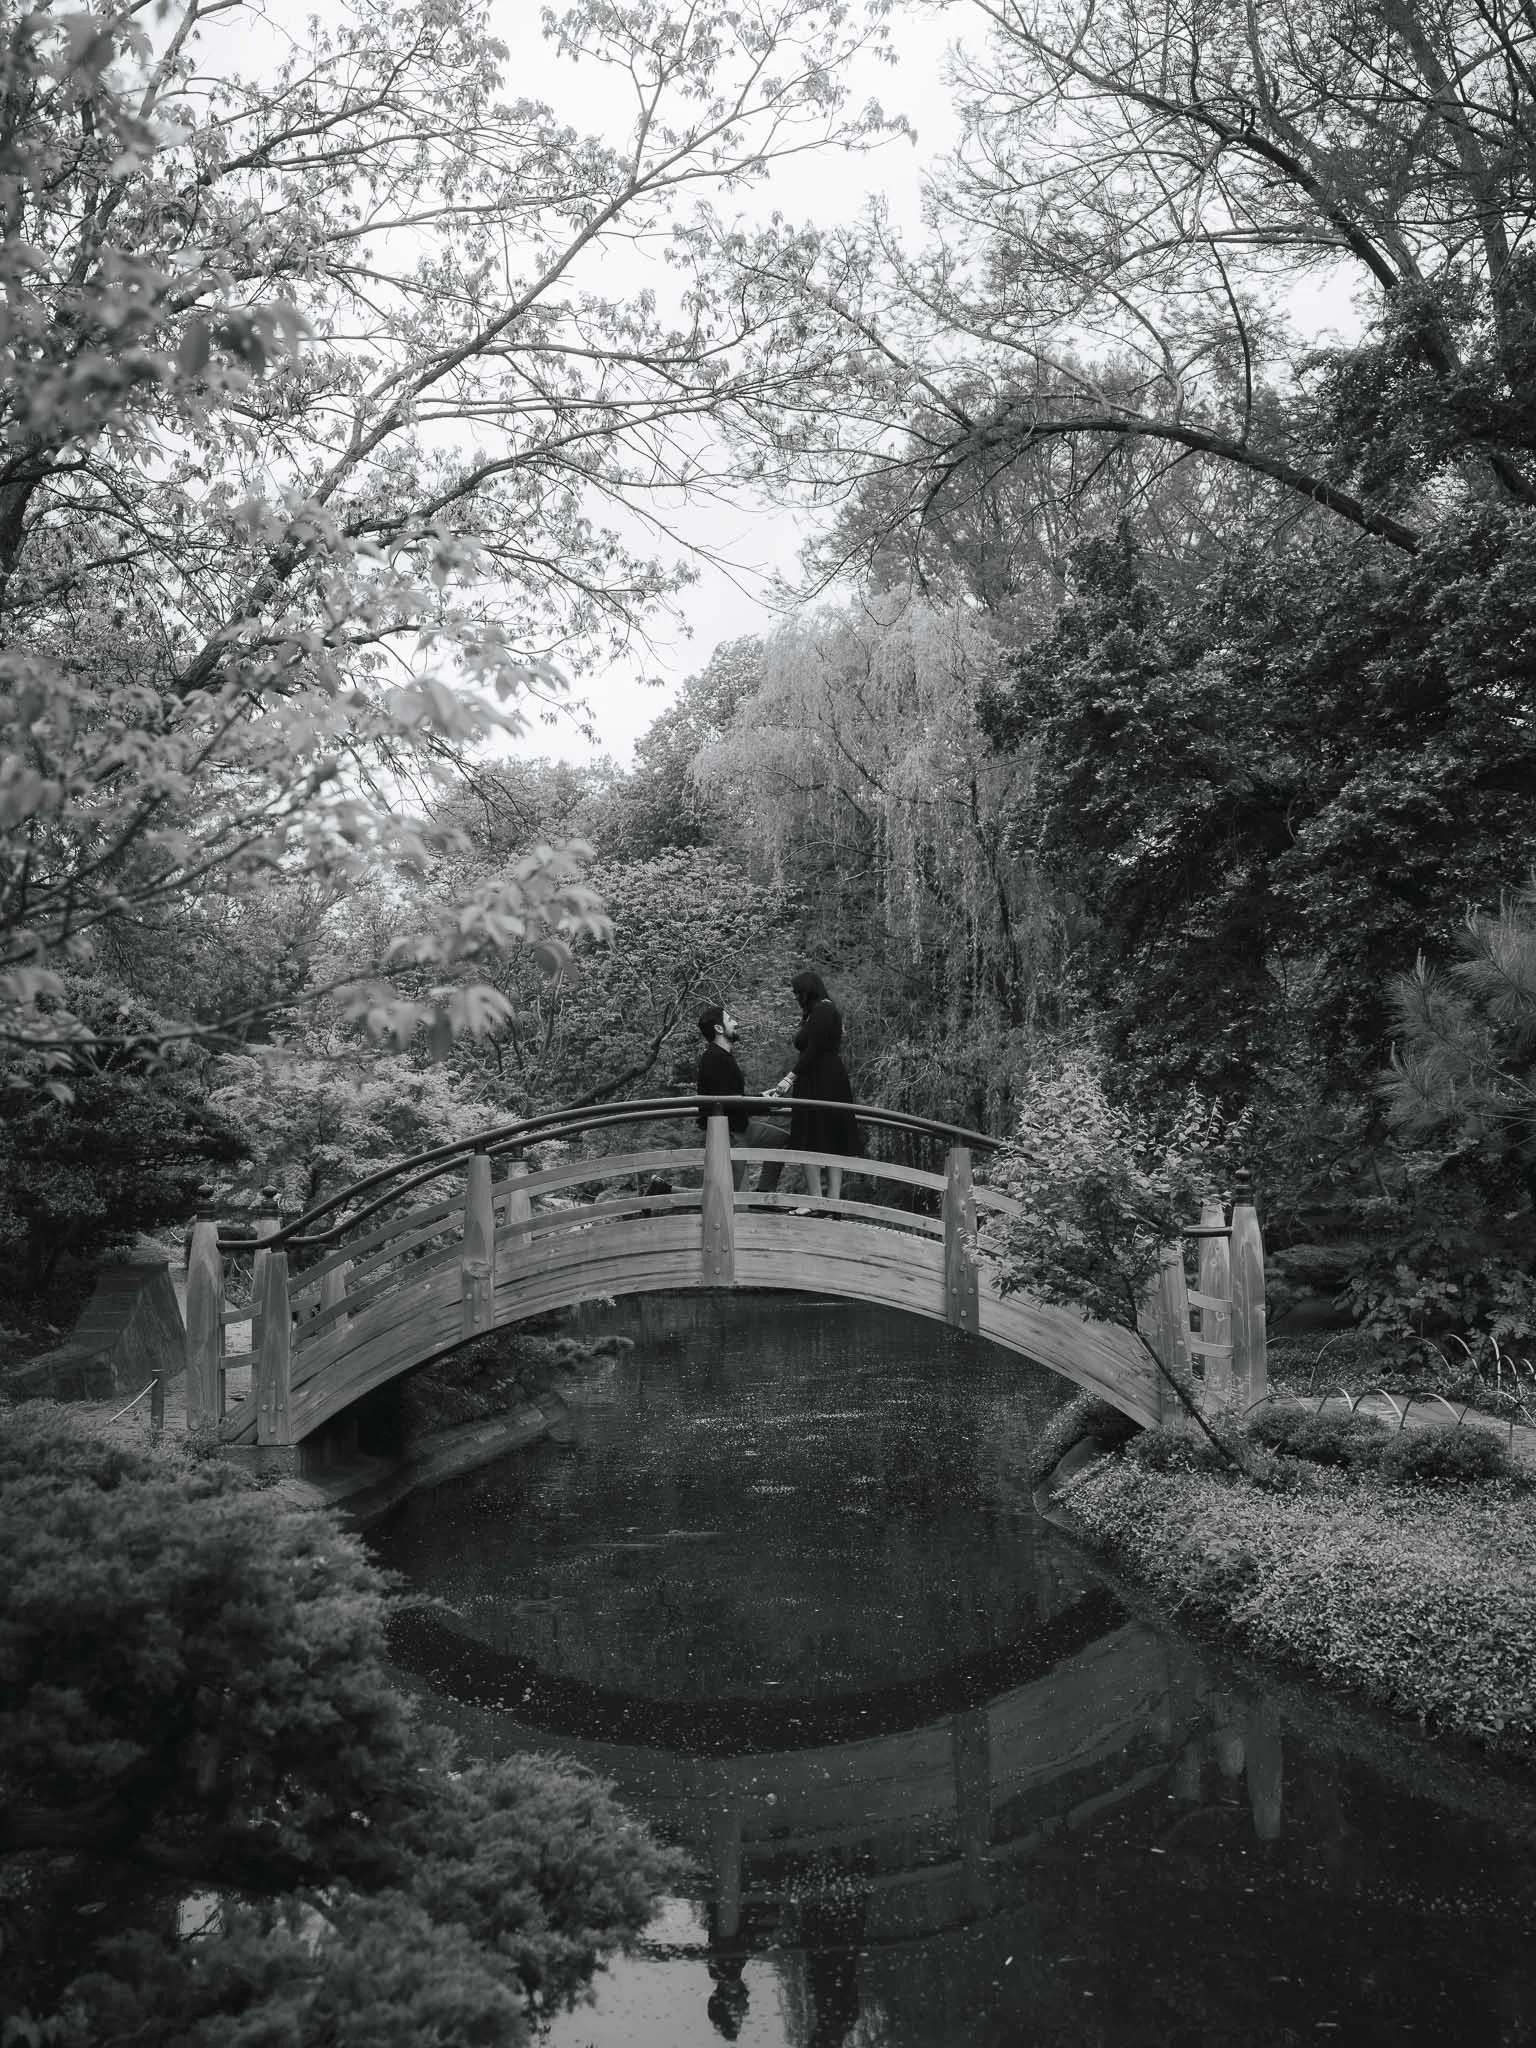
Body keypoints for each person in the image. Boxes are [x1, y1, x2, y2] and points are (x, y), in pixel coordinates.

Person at [767, 970, 863, 1203]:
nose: (795, 996)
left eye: (797, 992)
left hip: (822, 1080)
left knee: (815, 1137)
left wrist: (789, 1078)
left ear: (807, 990)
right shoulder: (818, 1012)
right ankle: (825, 1203)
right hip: (818, 1079)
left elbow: (814, 1049)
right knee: (820, 1136)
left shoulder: (823, 1009)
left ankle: (823, 1203)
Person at [695, 1004, 785, 1194]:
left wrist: (762, 1098)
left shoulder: (723, 1056)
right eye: (730, 1020)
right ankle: (667, 1190)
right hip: (728, 1132)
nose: (736, 1023)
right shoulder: (713, 1058)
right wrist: (764, 1104)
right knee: (728, 1194)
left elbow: (733, 1097)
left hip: (741, 1126)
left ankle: (764, 1194)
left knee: (780, 1139)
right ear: (718, 1028)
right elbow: (729, 1102)